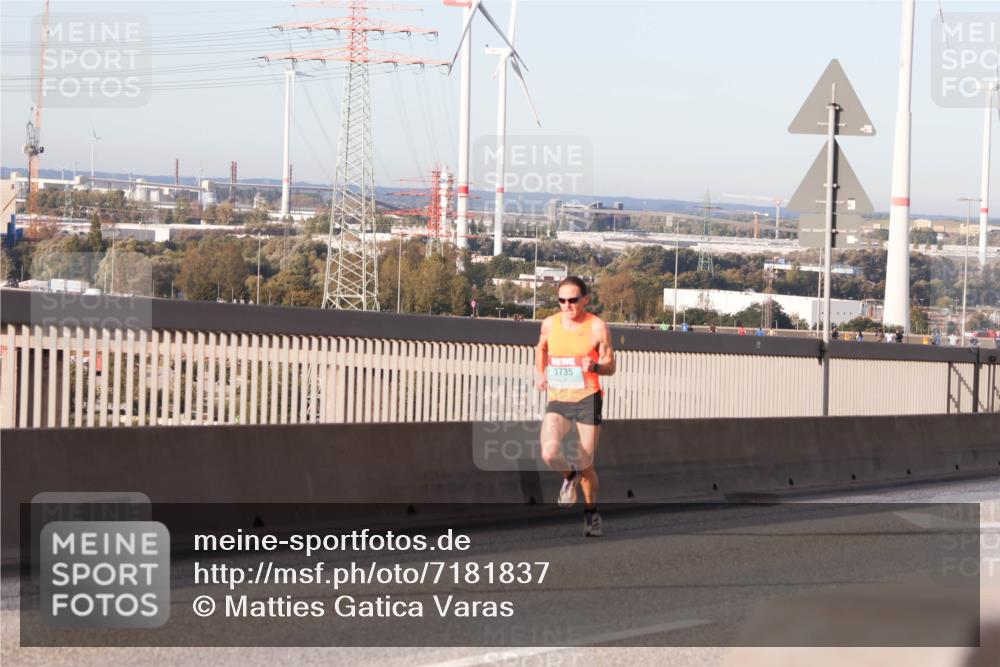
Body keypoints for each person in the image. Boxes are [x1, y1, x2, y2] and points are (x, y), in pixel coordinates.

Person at [535, 277, 616, 537]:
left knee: (585, 463)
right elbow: (541, 349)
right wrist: (542, 373)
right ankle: (568, 477)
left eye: (573, 300)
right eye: (562, 300)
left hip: (587, 398)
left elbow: (611, 366)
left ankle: (591, 512)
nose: (567, 305)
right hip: (558, 398)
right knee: (549, 453)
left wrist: (595, 367)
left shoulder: (597, 327)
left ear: (585, 299)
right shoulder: (549, 324)